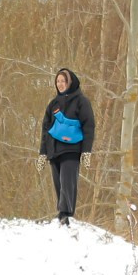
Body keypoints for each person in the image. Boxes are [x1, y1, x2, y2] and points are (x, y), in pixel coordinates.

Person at [40, 68, 96, 226]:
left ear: (70, 82)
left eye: (63, 81)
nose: (60, 84)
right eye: (58, 81)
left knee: (67, 182)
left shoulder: (81, 101)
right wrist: (43, 153)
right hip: (54, 151)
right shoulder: (53, 104)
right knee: (58, 184)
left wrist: (86, 151)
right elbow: (45, 129)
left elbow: (89, 126)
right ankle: (63, 214)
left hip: (72, 150)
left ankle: (65, 214)